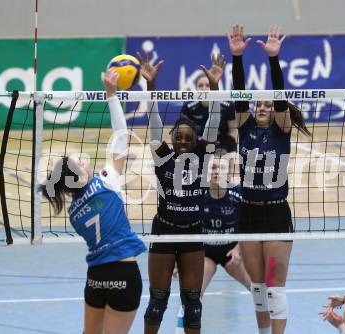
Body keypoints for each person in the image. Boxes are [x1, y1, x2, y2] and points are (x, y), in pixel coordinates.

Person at [40, 69, 147, 334]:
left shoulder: (74, 210)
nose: (85, 159)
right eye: (81, 161)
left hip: (96, 278)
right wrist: (112, 96)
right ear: (80, 175)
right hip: (124, 274)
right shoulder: (105, 182)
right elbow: (121, 137)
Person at [227, 24, 310, 334]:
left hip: (276, 214)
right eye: (257, 104)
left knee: (275, 285)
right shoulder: (245, 127)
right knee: (259, 286)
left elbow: (279, 98)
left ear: (274, 110)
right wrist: (238, 58)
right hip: (248, 214)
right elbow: (238, 98)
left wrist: (273, 60)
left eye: (266, 104)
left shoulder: (282, 129)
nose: (261, 107)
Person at [139, 51, 224, 334]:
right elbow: (153, 125)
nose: (184, 141)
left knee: (193, 303)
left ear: (197, 140)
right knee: (157, 302)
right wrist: (151, 89)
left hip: (193, 233)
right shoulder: (162, 157)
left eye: (189, 137)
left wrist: (214, 90)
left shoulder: (204, 156)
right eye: (179, 137)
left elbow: (214, 121)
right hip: (164, 231)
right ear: (172, 139)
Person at [175, 149, 271, 333]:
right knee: (191, 296)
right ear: (206, 171)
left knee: (260, 291)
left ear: (228, 172)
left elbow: (251, 226)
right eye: (213, 167)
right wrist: (180, 261)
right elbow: (185, 229)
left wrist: (239, 247)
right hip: (205, 253)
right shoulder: (196, 195)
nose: (217, 171)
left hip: (232, 251)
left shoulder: (239, 195)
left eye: (221, 167)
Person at [181, 74, 237, 152]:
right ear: (196, 88)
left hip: (223, 145)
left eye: (208, 85)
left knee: (231, 161)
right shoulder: (188, 106)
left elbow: (233, 131)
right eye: (200, 85)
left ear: (214, 87)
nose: (204, 89)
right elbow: (183, 132)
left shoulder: (228, 105)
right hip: (198, 147)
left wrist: (223, 149)